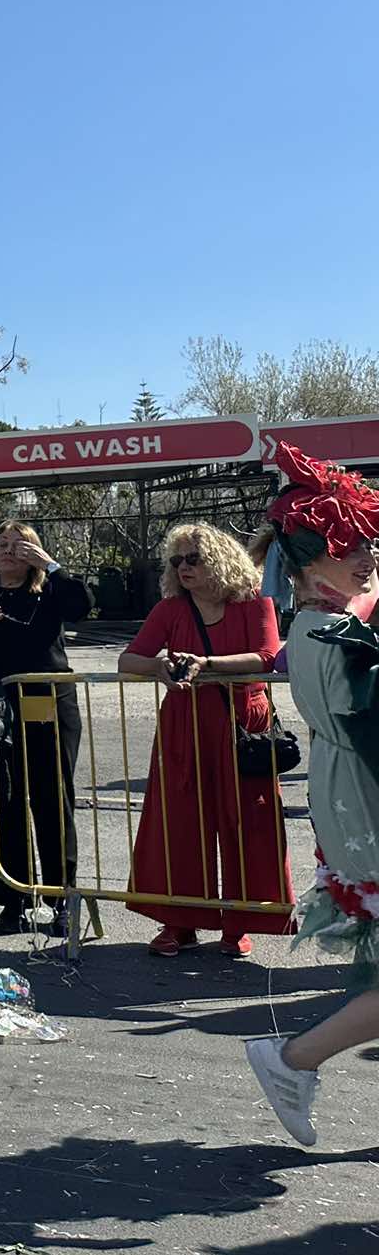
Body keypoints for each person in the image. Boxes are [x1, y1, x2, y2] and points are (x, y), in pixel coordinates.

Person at [244, 441, 379, 1146]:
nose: (364, 554)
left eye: (367, 542)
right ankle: (292, 1058)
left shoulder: (336, 623)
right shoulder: (323, 631)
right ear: (305, 561)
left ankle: (293, 1060)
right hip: (365, 808)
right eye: (347, 543)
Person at [121, 524, 292, 958]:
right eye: (176, 561)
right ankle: (179, 922)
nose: (183, 568)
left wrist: (208, 663)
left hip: (242, 724)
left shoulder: (255, 604)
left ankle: (240, 923)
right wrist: (159, 667)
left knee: (246, 823)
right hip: (185, 723)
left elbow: (269, 656)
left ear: (218, 558)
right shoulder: (170, 609)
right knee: (179, 822)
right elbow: (129, 658)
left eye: (192, 559)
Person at [0, 520, 92, 936]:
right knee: (2, 800)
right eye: (2, 544)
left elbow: (81, 605)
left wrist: (51, 565)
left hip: (47, 704)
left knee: (51, 799)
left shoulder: (49, 591)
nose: (9, 551)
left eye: (20, 545)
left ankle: (61, 897)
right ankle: (13, 897)